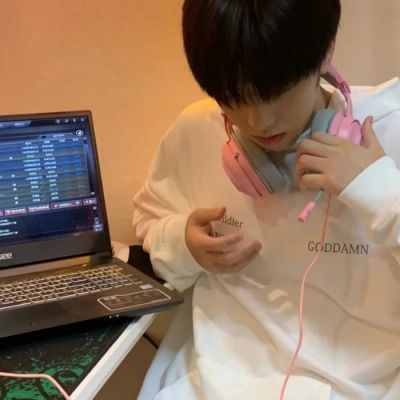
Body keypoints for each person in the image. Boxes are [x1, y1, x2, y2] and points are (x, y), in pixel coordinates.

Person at [132, 1, 400, 399]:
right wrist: (183, 243)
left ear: (325, 52)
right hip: (215, 378)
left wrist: (381, 193)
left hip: (362, 386)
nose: (258, 121)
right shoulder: (196, 130)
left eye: (277, 92)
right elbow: (151, 221)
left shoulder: (389, 126)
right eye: (232, 97)